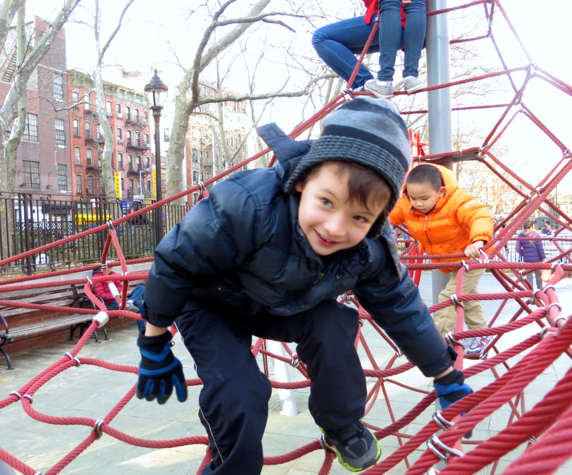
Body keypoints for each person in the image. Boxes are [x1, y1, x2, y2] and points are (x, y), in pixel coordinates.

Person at [136, 97, 473, 474]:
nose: (335, 228)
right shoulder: (248, 204)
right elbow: (175, 262)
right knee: (241, 392)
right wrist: (153, 341)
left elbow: (401, 306)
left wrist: (446, 376)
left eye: (359, 216)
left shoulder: (370, 249)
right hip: (210, 302)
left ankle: (341, 424)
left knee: (335, 323)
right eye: (326, 202)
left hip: (281, 303)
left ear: (379, 219)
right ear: (302, 181)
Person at [390, 163, 494, 357]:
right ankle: (482, 334)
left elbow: (479, 215)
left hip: (473, 256)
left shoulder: (457, 200)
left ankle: (437, 339)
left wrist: (478, 241)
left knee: (449, 296)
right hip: (449, 257)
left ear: (441, 192)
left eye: (424, 198)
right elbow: (386, 216)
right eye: (413, 198)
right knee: (466, 296)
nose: (418, 203)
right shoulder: (407, 203)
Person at [312, 0, 426, 98]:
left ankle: (368, 82)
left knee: (320, 38)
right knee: (338, 49)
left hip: (391, 20)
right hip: (415, 31)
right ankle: (410, 76)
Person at [515, 220, 547, 289]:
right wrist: (544, 258)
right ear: (531, 226)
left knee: (529, 275)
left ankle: (530, 291)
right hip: (537, 259)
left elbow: (517, 248)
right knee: (538, 275)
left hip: (527, 259)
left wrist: (524, 253)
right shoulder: (536, 235)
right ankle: (539, 291)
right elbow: (540, 248)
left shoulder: (520, 235)